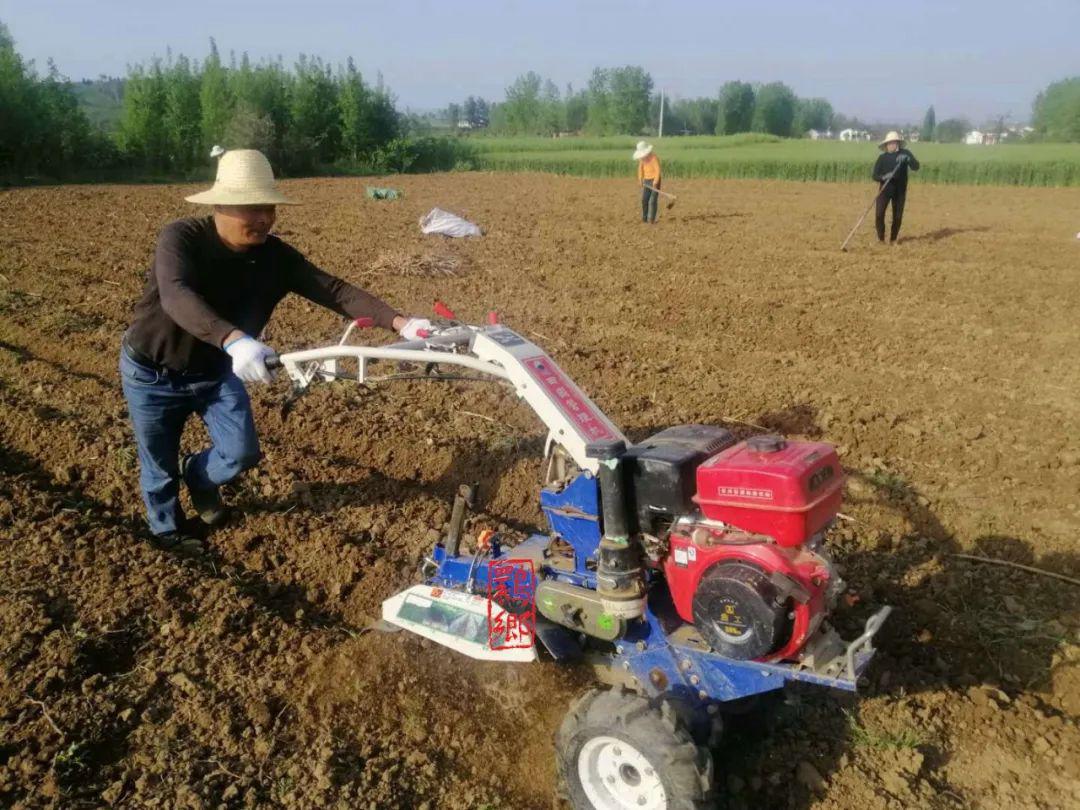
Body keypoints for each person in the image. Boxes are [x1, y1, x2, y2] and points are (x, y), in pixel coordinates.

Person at [120, 147, 431, 553]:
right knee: (158, 466)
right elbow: (175, 295)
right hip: (153, 372)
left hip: (215, 372)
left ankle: (197, 475)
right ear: (220, 206)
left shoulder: (275, 257)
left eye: (268, 206)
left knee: (241, 453)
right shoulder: (182, 239)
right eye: (252, 207)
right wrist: (235, 339)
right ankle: (166, 532)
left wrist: (400, 321)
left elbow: (332, 289)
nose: (264, 217)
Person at [872, 131, 920, 244]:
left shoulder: (905, 153)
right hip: (885, 190)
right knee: (879, 214)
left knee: (897, 217)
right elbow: (875, 175)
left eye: (893, 143)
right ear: (886, 145)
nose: (891, 145)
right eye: (889, 143)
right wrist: (883, 177)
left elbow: (916, 166)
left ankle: (893, 239)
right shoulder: (882, 158)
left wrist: (909, 159)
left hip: (900, 191)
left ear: (897, 143)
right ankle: (881, 239)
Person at [634, 141, 662, 224]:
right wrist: (640, 179)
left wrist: (656, 181)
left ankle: (651, 220)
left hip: (654, 180)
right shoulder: (642, 159)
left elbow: (658, 170)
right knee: (644, 200)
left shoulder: (653, 158)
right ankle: (645, 218)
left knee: (652, 201)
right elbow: (640, 170)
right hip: (646, 181)